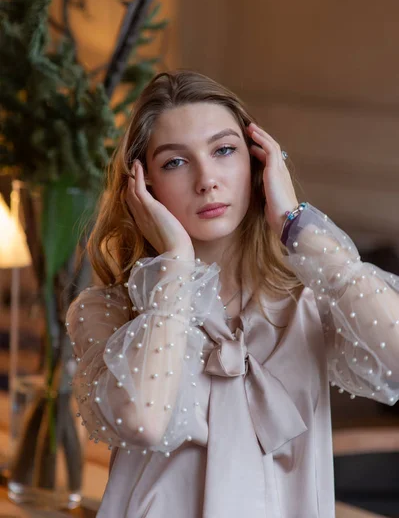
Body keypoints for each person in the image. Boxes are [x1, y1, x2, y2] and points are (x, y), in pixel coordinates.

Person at [66, 70, 399, 518]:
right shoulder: (108, 311)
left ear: (259, 163)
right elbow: (143, 422)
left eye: (224, 150)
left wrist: (295, 224)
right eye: (175, 163)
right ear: (142, 189)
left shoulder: (309, 303)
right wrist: (177, 265)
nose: (207, 180)